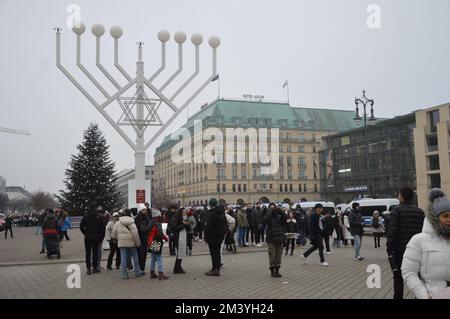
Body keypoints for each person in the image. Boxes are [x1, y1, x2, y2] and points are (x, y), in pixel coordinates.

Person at [402, 189, 450, 299]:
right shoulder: (419, 240)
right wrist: (423, 295)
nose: (449, 219)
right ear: (435, 218)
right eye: (445, 216)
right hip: (432, 295)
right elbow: (408, 272)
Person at [386, 186, 425, 299]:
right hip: (417, 251)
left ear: (402, 197)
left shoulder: (396, 210)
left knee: (398, 277)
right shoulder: (420, 212)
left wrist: (389, 248)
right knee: (417, 277)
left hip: (400, 250)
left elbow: (392, 231)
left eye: (399, 194)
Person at [111, 209, 144, 279]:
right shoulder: (132, 222)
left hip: (122, 243)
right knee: (135, 257)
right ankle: (137, 272)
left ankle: (124, 275)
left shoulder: (118, 223)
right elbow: (135, 234)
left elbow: (113, 234)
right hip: (132, 242)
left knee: (123, 258)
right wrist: (138, 243)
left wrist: (118, 239)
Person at [204, 198, 228, 276]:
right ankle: (215, 268)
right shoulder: (222, 212)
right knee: (217, 253)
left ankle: (215, 269)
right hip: (219, 236)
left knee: (214, 253)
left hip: (213, 236)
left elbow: (209, 226)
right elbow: (225, 224)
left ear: (211, 205)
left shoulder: (212, 213)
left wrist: (206, 237)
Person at [265, 203, 287, 277]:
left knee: (279, 256)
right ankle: (272, 271)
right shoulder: (268, 218)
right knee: (272, 255)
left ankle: (277, 271)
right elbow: (267, 218)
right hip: (271, 239)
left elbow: (285, 216)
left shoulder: (279, 217)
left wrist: (279, 209)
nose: (273, 209)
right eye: (271, 207)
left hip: (279, 238)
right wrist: (270, 209)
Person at [80, 208, 104, 274]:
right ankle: (95, 268)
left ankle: (88, 268)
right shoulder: (98, 217)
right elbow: (102, 229)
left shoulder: (85, 217)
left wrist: (85, 233)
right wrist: (100, 237)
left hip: (88, 237)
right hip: (96, 237)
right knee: (95, 253)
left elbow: (81, 227)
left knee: (88, 253)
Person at [147, 209, 169, 280]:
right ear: (157, 215)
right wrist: (165, 238)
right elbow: (160, 234)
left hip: (151, 241)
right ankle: (161, 273)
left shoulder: (151, 222)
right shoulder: (157, 223)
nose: (161, 215)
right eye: (160, 214)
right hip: (156, 241)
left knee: (153, 258)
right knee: (159, 258)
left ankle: (152, 273)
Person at [169, 208, 191, 274]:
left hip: (183, 237)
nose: (184, 213)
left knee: (181, 253)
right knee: (179, 253)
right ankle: (177, 268)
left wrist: (187, 224)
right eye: (183, 212)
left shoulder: (185, 218)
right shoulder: (175, 218)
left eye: (185, 212)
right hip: (177, 238)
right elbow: (175, 228)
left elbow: (188, 229)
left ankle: (178, 267)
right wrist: (183, 224)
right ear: (180, 213)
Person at [135, 203, 151, 274]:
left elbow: (149, 226)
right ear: (140, 210)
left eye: (145, 209)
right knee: (139, 253)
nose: (145, 211)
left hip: (145, 237)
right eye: (143, 209)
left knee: (144, 254)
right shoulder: (137, 218)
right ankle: (139, 268)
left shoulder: (147, 217)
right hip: (139, 237)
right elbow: (137, 229)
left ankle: (142, 268)